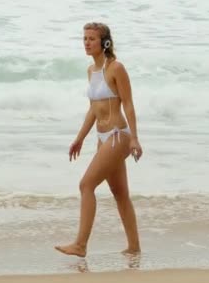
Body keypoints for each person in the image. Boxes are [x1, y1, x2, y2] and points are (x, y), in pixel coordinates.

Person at [54, 22, 143, 258]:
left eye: (92, 39)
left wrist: (134, 138)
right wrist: (79, 138)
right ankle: (134, 248)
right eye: (84, 38)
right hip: (102, 138)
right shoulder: (91, 71)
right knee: (120, 193)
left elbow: (129, 105)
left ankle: (80, 245)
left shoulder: (116, 69)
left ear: (104, 42)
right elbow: (93, 109)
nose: (86, 43)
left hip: (118, 136)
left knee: (86, 185)